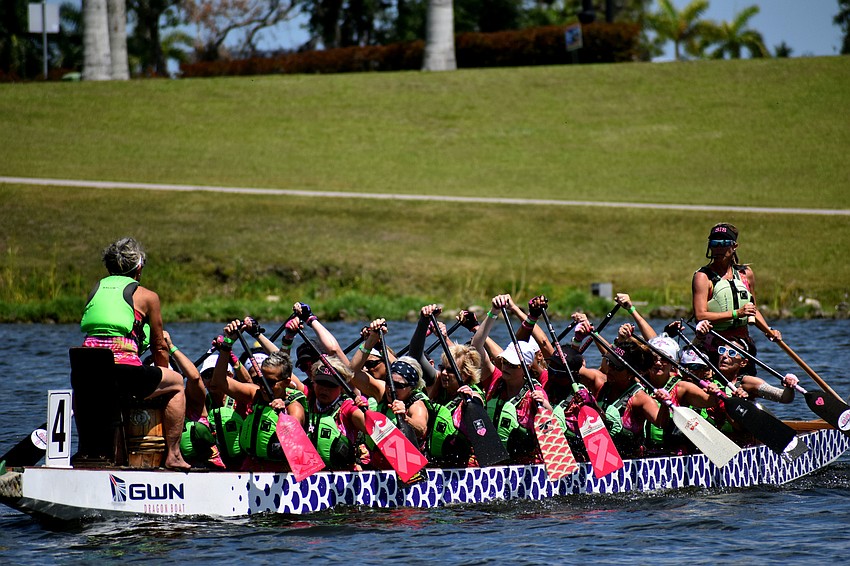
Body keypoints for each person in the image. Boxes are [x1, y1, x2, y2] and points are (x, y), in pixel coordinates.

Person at [80, 237, 190, 470]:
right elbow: (160, 347)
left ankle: (110, 458)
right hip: (121, 374)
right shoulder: (147, 296)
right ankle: (174, 456)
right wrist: (163, 372)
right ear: (138, 268)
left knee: (111, 394)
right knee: (177, 384)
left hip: (85, 372)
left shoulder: (95, 290)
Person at [692, 223, 781, 357]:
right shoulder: (703, 277)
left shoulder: (746, 274)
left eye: (724, 243)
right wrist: (736, 313)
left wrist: (769, 331)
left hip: (742, 347)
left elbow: (752, 310)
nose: (719, 248)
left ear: (734, 246)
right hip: (715, 348)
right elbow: (700, 316)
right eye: (715, 243)